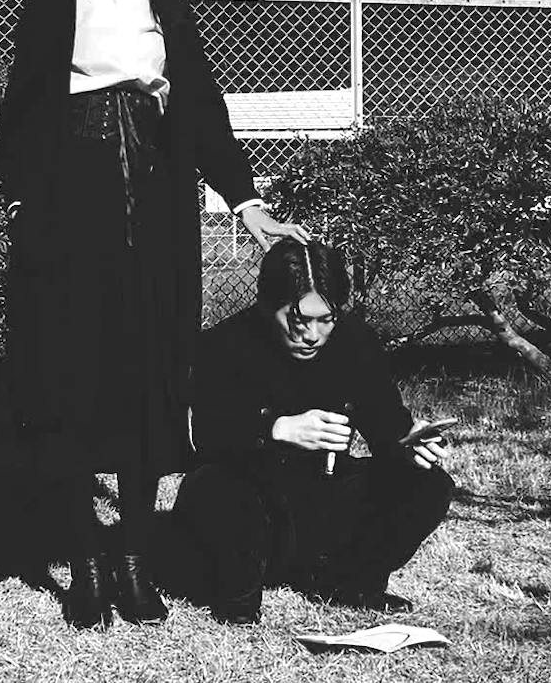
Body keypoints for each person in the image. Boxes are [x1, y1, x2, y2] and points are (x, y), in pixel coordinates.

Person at [0, 0, 308, 630]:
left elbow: (202, 110)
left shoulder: (170, 5)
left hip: (157, 207)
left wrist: (247, 201)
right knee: (69, 377)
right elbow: (20, 117)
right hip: (70, 207)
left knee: (147, 380)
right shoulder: (50, 2)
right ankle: (84, 559)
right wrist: (20, 204)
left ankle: (132, 557)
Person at [171, 240, 454, 625]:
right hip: (249, 500)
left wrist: (407, 444)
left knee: (429, 484)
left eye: (326, 319)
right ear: (267, 305)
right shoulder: (226, 343)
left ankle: (349, 583)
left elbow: (384, 419)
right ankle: (238, 593)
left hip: (323, 496)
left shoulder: (355, 341)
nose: (313, 334)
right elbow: (206, 436)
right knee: (218, 490)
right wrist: (276, 428)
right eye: (299, 319)